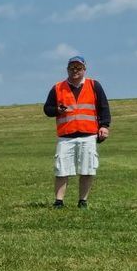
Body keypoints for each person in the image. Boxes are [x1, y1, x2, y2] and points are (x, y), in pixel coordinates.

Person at [45, 55, 111, 208]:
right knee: (61, 169)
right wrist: (57, 110)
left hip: (88, 135)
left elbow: (104, 107)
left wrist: (104, 126)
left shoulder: (94, 85)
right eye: (72, 68)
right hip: (66, 136)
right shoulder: (57, 87)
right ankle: (59, 201)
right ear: (67, 69)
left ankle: (83, 201)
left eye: (78, 68)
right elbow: (47, 109)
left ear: (84, 70)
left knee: (87, 169)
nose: (75, 71)